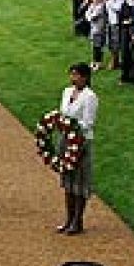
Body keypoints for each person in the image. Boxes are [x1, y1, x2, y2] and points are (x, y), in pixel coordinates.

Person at [55, 62, 98, 235]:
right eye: (72, 75)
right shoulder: (66, 92)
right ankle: (68, 218)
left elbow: (88, 123)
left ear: (85, 77)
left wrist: (71, 125)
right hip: (66, 139)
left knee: (79, 181)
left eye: (77, 75)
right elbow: (62, 112)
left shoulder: (90, 97)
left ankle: (78, 220)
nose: (74, 78)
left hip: (81, 141)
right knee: (68, 180)